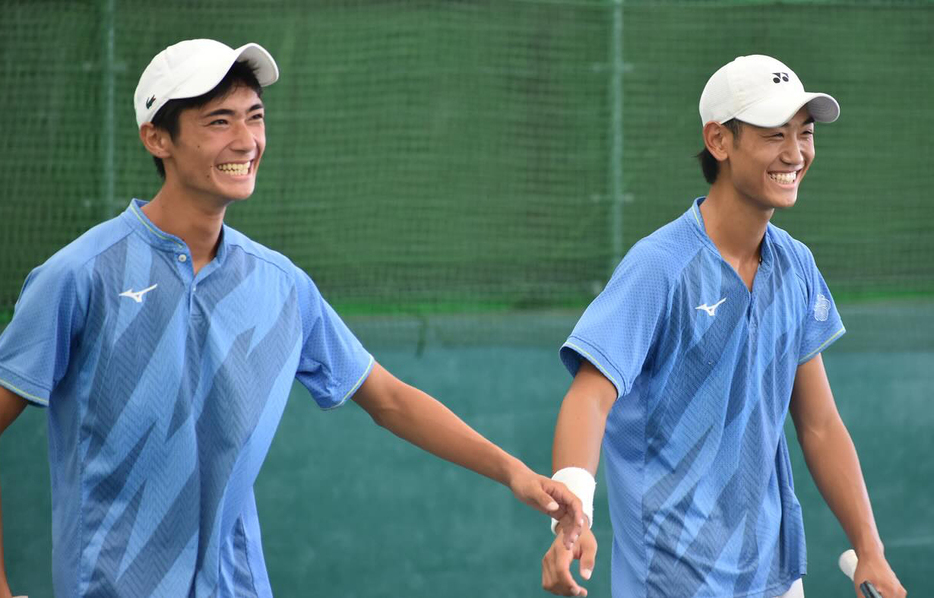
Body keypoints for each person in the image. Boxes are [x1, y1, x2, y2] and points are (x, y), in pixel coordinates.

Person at [0, 39, 584, 597]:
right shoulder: (78, 276)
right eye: (218, 121)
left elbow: (390, 399)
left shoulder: (281, 285)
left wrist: (516, 474)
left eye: (254, 117)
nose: (246, 140)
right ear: (158, 138)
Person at [540, 55, 907, 598]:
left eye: (804, 134)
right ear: (719, 140)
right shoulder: (658, 266)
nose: (795, 153)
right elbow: (590, 398)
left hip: (777, 578)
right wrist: (572, 505)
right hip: (670, 582)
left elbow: (820, 425)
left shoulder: (797, 266)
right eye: (773, 135)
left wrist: (869, 549)